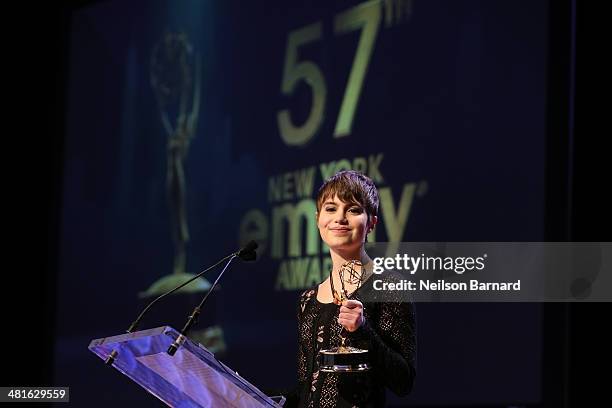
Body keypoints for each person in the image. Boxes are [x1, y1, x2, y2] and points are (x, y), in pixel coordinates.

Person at [285, 170, 416, 407]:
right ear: (317, 219)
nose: (340, 218)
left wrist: (362, 329)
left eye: (353, 210)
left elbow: (403, 381)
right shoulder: (307, 300)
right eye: (331, 208)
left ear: (371, 223)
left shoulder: (388, 287)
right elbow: (307, 385)